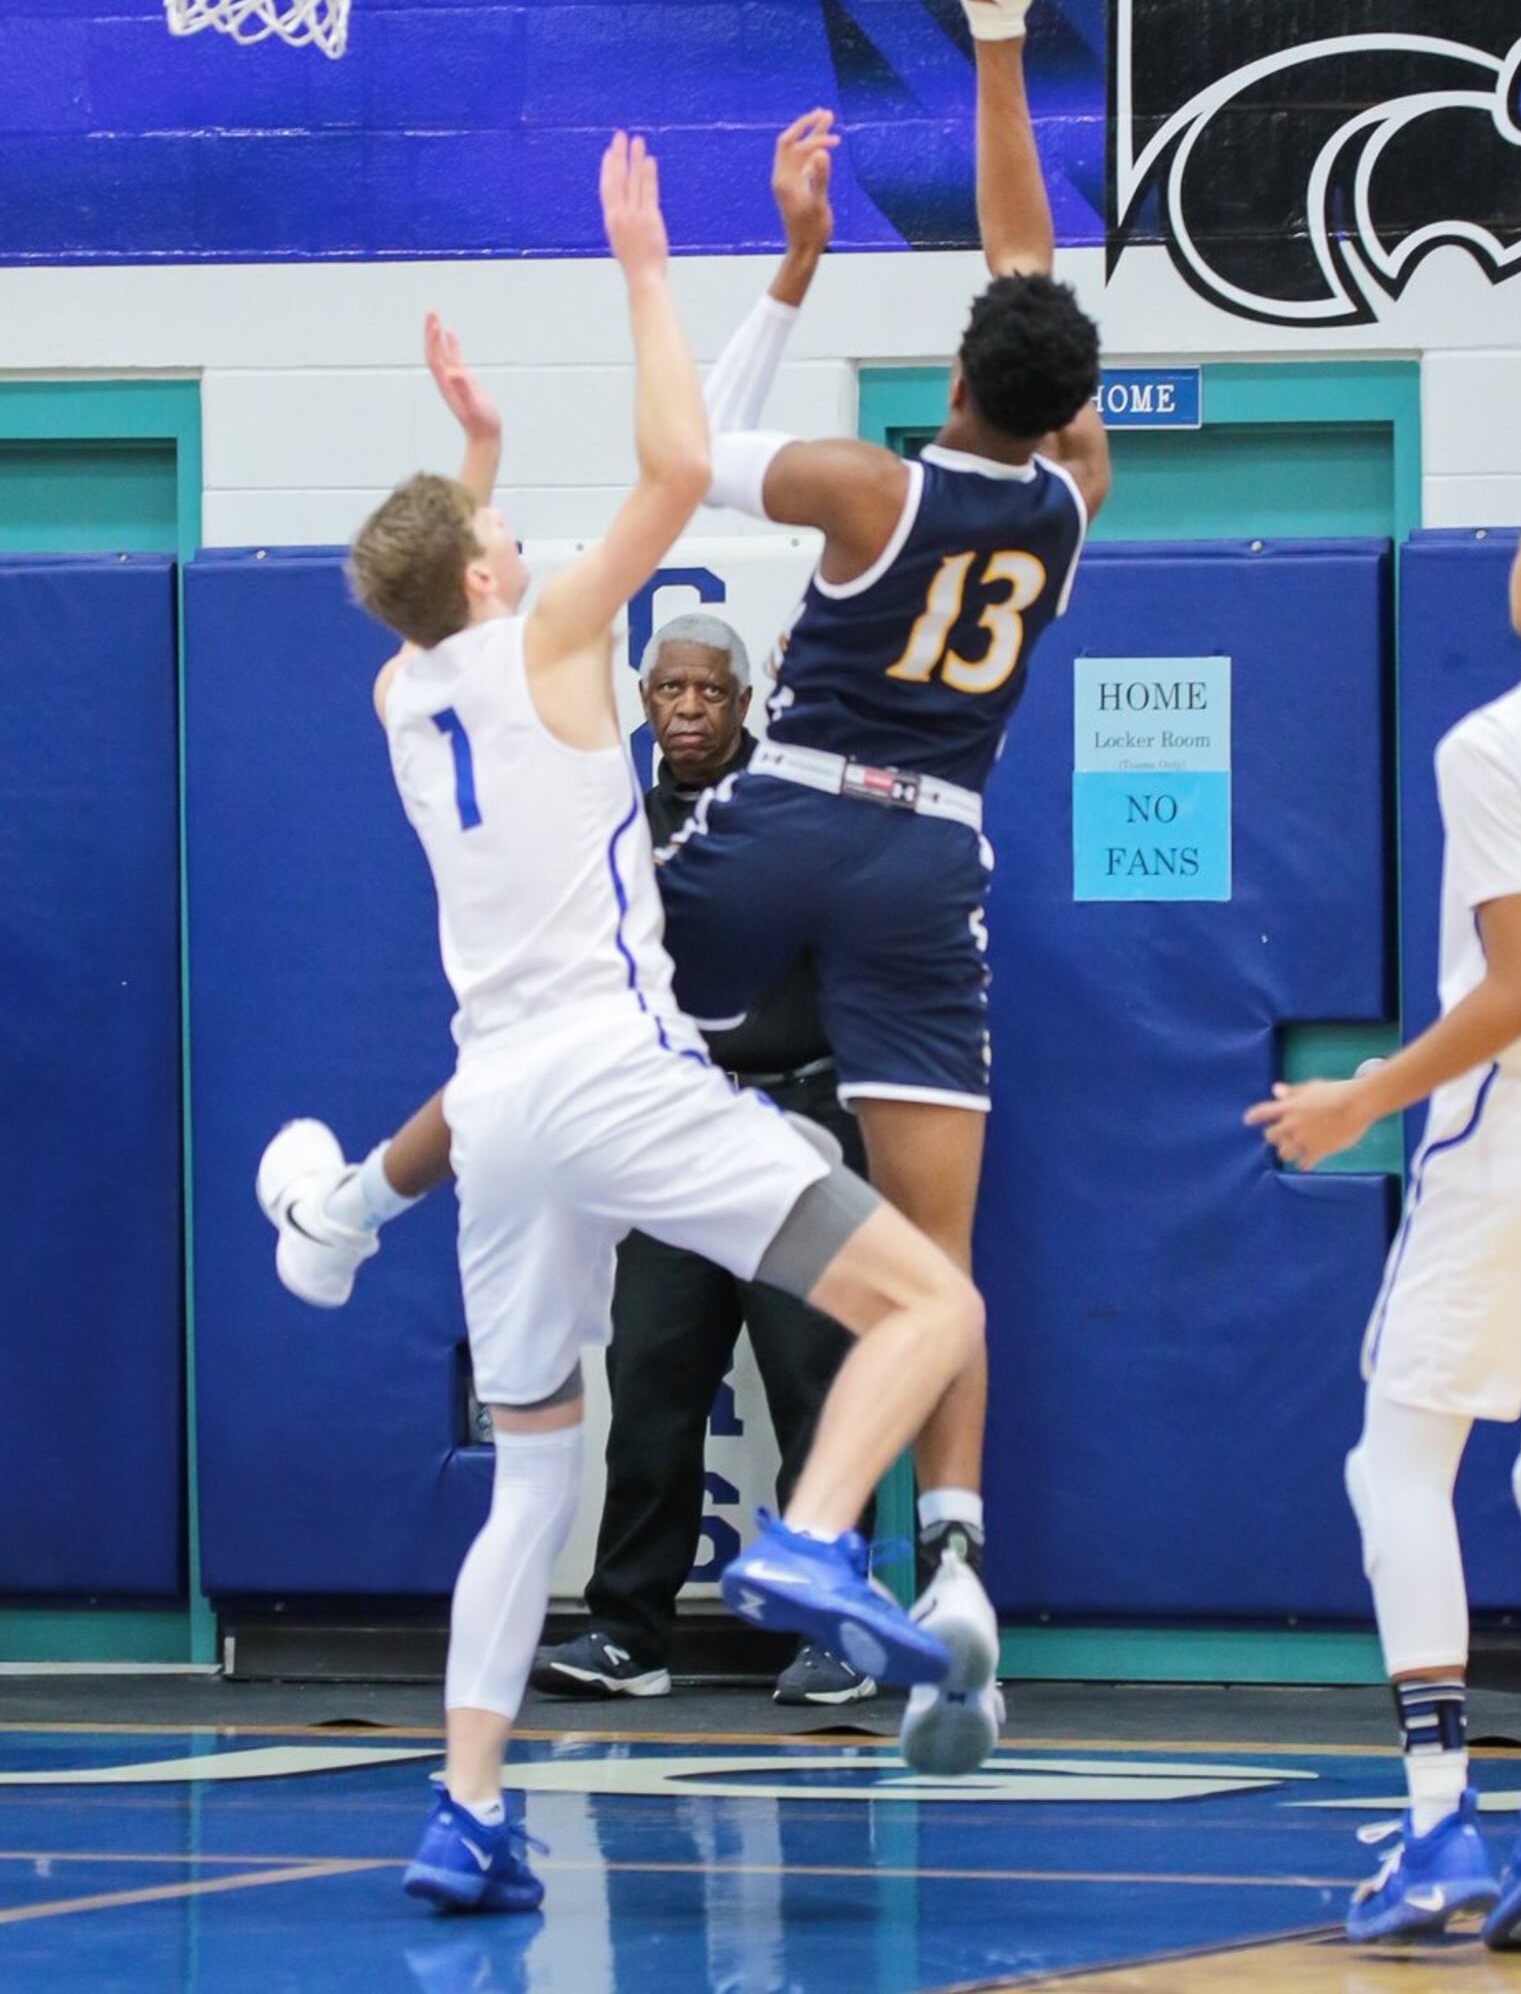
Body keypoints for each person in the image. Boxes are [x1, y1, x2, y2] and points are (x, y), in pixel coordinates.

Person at [261, 133, 981, 1917]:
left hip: (496, 1114)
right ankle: (817, 1534)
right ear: (502, 580)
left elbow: (434, 569)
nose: (522, 532)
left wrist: (476, 454)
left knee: (535, 1480)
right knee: (932, 1298)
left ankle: (467, 1803)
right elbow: (679, 461)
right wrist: (646, 261)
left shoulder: (399, 682)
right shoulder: (569, 630)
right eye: (507, 530)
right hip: (612, 1070)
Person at [655, 0, 1110, 1775]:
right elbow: (1032, 281)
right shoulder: (1074, 503)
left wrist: (790, 263)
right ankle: (957, 1568)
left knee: (559, 1011)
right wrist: (1003, 35)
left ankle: (374, 1199)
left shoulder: (863, 485)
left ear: (951, 381)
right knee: (940, 1255)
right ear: (1067, 407)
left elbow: (683, 452)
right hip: (936, 858)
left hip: (792, 818)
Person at [1248, 471, 1521, 1952]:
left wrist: (1365, 1094)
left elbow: (1518, 989)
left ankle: (1443, 1809)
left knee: (1400, 1456)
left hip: (1520, 1116)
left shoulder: (1495, 743)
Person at [531, 609, 875, 1710]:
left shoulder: (796, 816)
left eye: (707, 693)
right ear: (646, 705)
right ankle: (630, 1632)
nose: (687, 711)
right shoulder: (620, 838)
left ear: (743, 704)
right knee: (651, 1385)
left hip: (796, 1130)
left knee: (816, 1388)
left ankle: (834, 1636)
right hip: (675, 1138)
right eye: (669, 693)